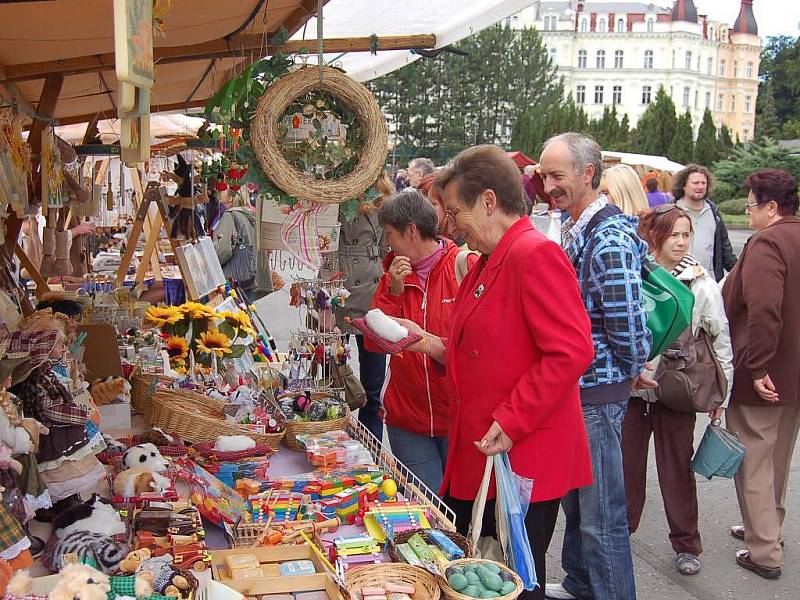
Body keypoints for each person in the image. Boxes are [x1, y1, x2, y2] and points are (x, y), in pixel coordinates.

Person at [393, 144, 594, 600]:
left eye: (456, 210)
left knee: (508, 579)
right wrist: (423, 340)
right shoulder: (488, 260)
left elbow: (570, 350)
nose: (451, 224)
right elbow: (477, 349)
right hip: (484, 447)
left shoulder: (532, 254)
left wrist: (513, 419)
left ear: (488, 201)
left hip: (518, 454)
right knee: (479, 570)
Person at [540, 133, 651, 600]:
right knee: (583, 509)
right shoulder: (578, 226)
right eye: (543, 175)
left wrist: (623, 372)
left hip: (597, 394)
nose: (547, 186)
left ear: (589, 174)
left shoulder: (606, 237)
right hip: (580, 391)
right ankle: (582, 584)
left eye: (557, 175)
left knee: (601, 518)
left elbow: (627, 328)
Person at [624, 205, 734, 576]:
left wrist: (723, 395)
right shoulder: (636, 275)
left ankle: (687, 544)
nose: (682, 241)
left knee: (676, 470)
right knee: (626, 468)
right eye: (674, 234)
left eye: (687, 234)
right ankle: (620, 535)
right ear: (655, 236)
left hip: (678, 390)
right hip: (633, 393)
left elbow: (720, 339)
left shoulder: (700, 281)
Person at [722, 169, 800, 580]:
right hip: (793, 370)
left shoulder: (768, 241)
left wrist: (755, 366)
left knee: (753, 458)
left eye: (751, 205)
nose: (749, 213)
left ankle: (765, 551)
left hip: (766, 370)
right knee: (778, 457)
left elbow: (764, 309)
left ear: (771, 207)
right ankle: (767, 527)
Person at [368, 190, 474, 491]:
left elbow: (478, 347)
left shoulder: (463, 267)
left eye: (390, 233)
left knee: (456, 509)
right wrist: (394, 293)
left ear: (411, 230)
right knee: (427, 506)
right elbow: (375, 345)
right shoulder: (392, 274)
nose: (387, 242)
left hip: (456, 417)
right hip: (407, 418)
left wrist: (431, 343)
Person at [319, 172, 395, 441]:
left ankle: (370, 448)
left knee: (373, 385)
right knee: (332, 378)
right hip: (339, 293)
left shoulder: (386, 199)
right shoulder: (335, 195)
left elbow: (391, 247)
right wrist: (324, 302)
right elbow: (326, 249)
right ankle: (329, 439)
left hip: (374, 297)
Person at [672, 165, 736, 282]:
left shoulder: (714, 212)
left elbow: (726, 251)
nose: (700, 187)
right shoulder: (671, 211)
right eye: (695, 183)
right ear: (684, 185)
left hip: (708, 283)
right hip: (677, 283)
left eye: (703, 183)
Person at [213, 189, 258, 302]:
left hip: (232, 278)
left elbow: (221, 249)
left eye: (223, 190)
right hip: (249, 276)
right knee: (244, 315)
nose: (219, 191)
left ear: (230, 197)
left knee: (230, 316)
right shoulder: (249, 216)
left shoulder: (230, 216)